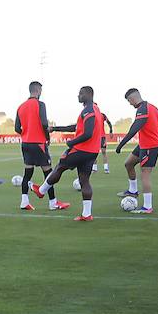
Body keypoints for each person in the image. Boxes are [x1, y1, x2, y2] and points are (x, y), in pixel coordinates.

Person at [30, 86, 101, 221]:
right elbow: (76, 127)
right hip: (92, 152)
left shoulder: (89, 110)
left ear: (88, 94)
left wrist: (72, 143)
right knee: (84, 180)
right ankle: (87, 214)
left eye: (81, 93)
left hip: (80, 149)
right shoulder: (94, 109)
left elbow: (88, 133)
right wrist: (56, 128)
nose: (78, 96)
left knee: (60, 167)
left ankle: (41, 191)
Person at [114, 88, 158, 214]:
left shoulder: (143, 109)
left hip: (150, 146)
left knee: (144, 173)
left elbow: (135, 128)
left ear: (133, 98)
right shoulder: (153, 107)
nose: (130, 103)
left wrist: (121, 145)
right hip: (143, 145)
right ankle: (133, 191)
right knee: (128, 163)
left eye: (129, 101)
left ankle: (147, 206)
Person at [15, 81, 68, 211]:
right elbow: (44, 123)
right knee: (49, 173)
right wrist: (47, 137)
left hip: (26, 143)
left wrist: (26, 133)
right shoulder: (40, 104)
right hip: (38, 143)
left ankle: (24, 202)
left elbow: (17, 128)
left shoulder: (21, 107)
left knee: (28, 172)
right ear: (38, 90)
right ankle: (53, 202)